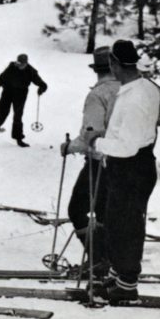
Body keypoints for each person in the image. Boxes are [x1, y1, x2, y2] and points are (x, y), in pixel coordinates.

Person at [80, 40, 159, 305]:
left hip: (131, 167)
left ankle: (127, 285)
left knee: (126, 227)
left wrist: (96, 142)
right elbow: (129, 132)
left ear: (114, 64)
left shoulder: (135, 97)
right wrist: (106, 134)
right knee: (116, 223)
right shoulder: (142, 88)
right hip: (131, 166)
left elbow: (126, 146)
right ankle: (118, 275)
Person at [61, 47, 117, 278]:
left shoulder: (98, 95)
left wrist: (69, 147)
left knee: (77, 209)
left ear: (97, 70)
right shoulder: (129, 89)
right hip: (122, 161)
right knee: (104, 211)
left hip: (99, 161)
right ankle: (107, 260)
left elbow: (90, 135)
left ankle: (97, 260)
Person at [0, 54, 48, 147]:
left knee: (18, 115)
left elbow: (43, 84)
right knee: (1, 110)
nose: (19, 65)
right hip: (7, 91)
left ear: (26, 63)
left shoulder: (31, 71)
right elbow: (2, 77)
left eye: (21, 64)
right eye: (18, 63)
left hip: (20, 94)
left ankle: (18, 138)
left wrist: (41, 89)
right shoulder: (12, 67)